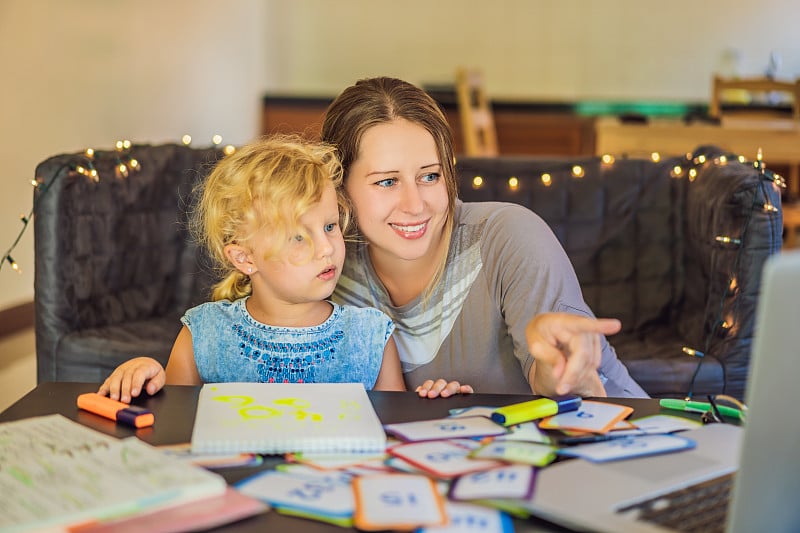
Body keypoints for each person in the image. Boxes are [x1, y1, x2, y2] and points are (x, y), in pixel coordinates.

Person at [321, 77, 648, 398]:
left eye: (430, 176)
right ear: (338, 185)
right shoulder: (327, 263)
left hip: (631, 438)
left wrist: (558, 368)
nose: (416, 204)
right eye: (387, 182)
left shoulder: (509, 237)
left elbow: (567, 390)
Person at [99, 136, 472, 403]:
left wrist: (434, 405)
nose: (326, 247)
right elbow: (177, 425)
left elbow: (394, 431)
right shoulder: (202, 334)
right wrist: (147, 378)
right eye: (298, 237)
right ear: (245, 258)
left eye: (329, 227)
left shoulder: (371, 336)